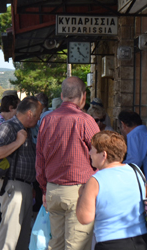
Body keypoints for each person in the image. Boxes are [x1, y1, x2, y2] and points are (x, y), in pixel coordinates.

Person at [36, 77, 100, 250]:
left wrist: (44, 188)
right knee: (76, 245)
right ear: (83, 97)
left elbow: (40, 159)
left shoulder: (46, 120)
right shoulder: (86, 120)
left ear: (62, 95)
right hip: (78, 191)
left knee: (55, 243)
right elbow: (101, 155)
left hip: (52, 189)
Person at [76, 131, 147, 250]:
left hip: (111, 242)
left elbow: (84, 218)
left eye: (93, 149)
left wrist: (81, 195)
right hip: (142, 240)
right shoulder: (136, 171)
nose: (90, 153)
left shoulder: (95, 180)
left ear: (104, 155)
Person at [0, 96, 42, 250]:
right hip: (13, 185)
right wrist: (18, 142)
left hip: (24, 186)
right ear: (30, 114)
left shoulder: (27, 129)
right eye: (38, 115)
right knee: (9, 235)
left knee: (22, 235)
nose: (39, 119)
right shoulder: (9, 126)